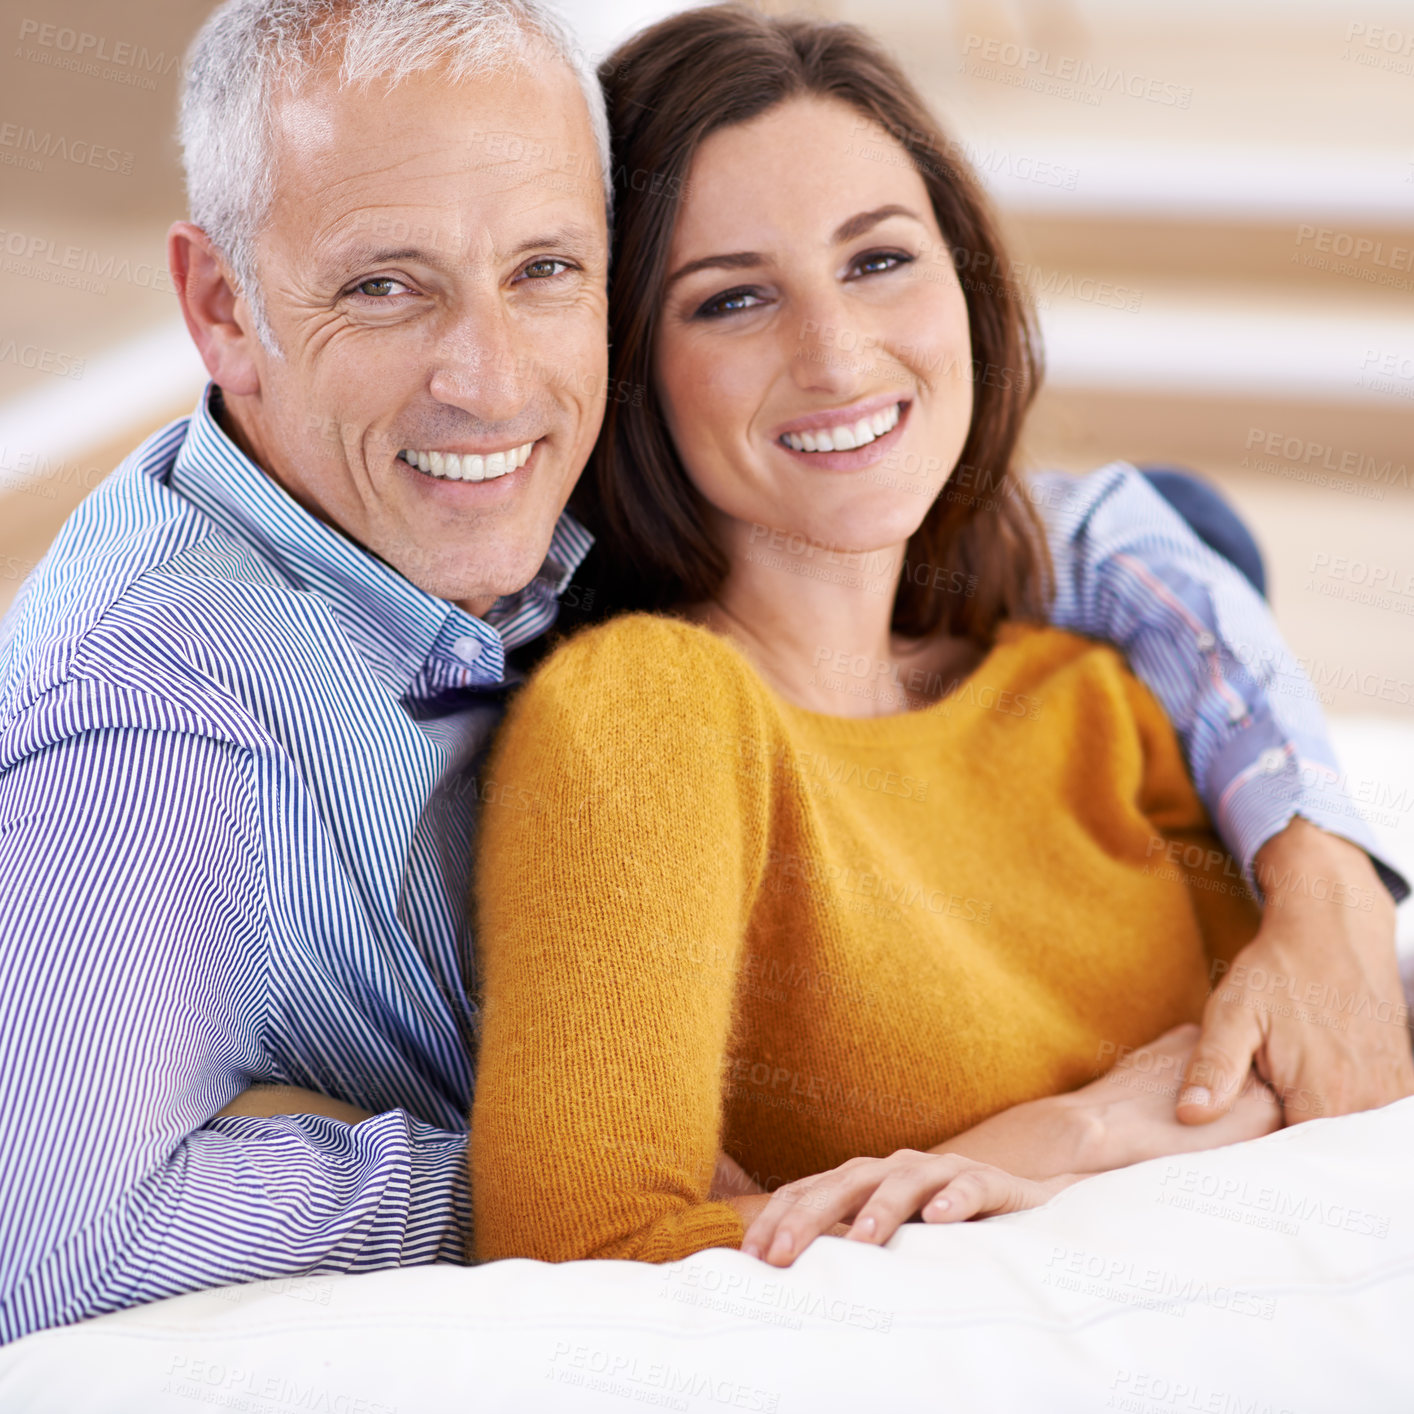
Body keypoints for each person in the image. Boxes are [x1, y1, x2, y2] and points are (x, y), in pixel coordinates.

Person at [0, 0, 1403, 1345]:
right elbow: (63, 1234)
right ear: (222, 308)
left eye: (544, 268)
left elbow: (1095, 520)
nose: (489, 380)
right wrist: (547, 1139)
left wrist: (1315, 855)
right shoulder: (152, 704)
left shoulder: (527, 519)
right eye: (383, 286)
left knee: (1191, 527)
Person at [467, 3, 1413, 1270]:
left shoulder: (1080, 690)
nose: (837, 352)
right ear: (626, 364)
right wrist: (1074, 1139)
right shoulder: (647, 712)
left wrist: (1093, 1134)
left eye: (878, 261)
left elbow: (1327, 1061)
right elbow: (584, 1245)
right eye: (733, 299)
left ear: (964, 283)